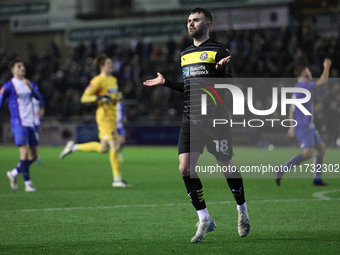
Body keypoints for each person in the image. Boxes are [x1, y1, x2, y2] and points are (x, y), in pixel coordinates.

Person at [143, 7, 249, 243]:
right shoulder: (185, 54)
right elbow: (189, 87)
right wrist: (166, 82)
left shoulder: (219, 50)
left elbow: (230, 85)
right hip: (190, 120)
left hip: (215, 119)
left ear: (208, 24)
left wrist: (221, 72)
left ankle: (242, 211)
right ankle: (205, 219)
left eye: (196, 20)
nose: (191, 24)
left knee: (226, 167)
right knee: (185, 168)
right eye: (189, 20)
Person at [59, 54, 130, 188]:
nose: (111, 65)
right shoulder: (98, 80)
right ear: (102, 66)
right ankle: (117, 180)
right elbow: (84, 98)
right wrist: (99, 98)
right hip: (104, 118)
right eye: (109, 64)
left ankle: (74, 147)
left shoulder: (113, 80)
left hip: (112, 117)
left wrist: (117, 98)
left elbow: (112, 97)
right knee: (116, 146)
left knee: (104, 148)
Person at [275, 58, 332, 186]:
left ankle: (317, 179)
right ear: (304, 74)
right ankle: (281, 169)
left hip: (308, 126)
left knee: (321, 149)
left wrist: (291, 126)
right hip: (303, 126)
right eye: (308, 71)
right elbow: (323, 81)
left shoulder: (297, 88)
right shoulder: (303, 86)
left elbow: (291, 109)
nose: (310, 74)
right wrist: (326, 67)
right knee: (307, 154)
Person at [0, 58, 43, 192]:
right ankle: (28, 184)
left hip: (30, 123)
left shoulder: (30, 84)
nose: (22, 68)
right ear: (13, 71)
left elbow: (39, 98)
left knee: (34, 156)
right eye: (19, 66)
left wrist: (31, 87)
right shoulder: (9, 86)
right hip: (18, 123)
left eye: (23, 66)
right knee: (24, 154)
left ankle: (14, 173)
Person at [32, 94, 45, 165]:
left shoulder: (38, 97)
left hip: (36, 122)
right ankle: (29, 155)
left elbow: (42, 106)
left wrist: (42, 111)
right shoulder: (25, 96)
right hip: (26, 122)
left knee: (35, 139)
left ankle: (36, 156)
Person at [116, 92, 127, 162]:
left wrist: (124, 118)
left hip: (119, 125)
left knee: (122, 140)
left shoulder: (121, 105)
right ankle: (116, 154)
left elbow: (124, 113)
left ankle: (119, 153)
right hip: (112, 125)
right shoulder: (111, 104)